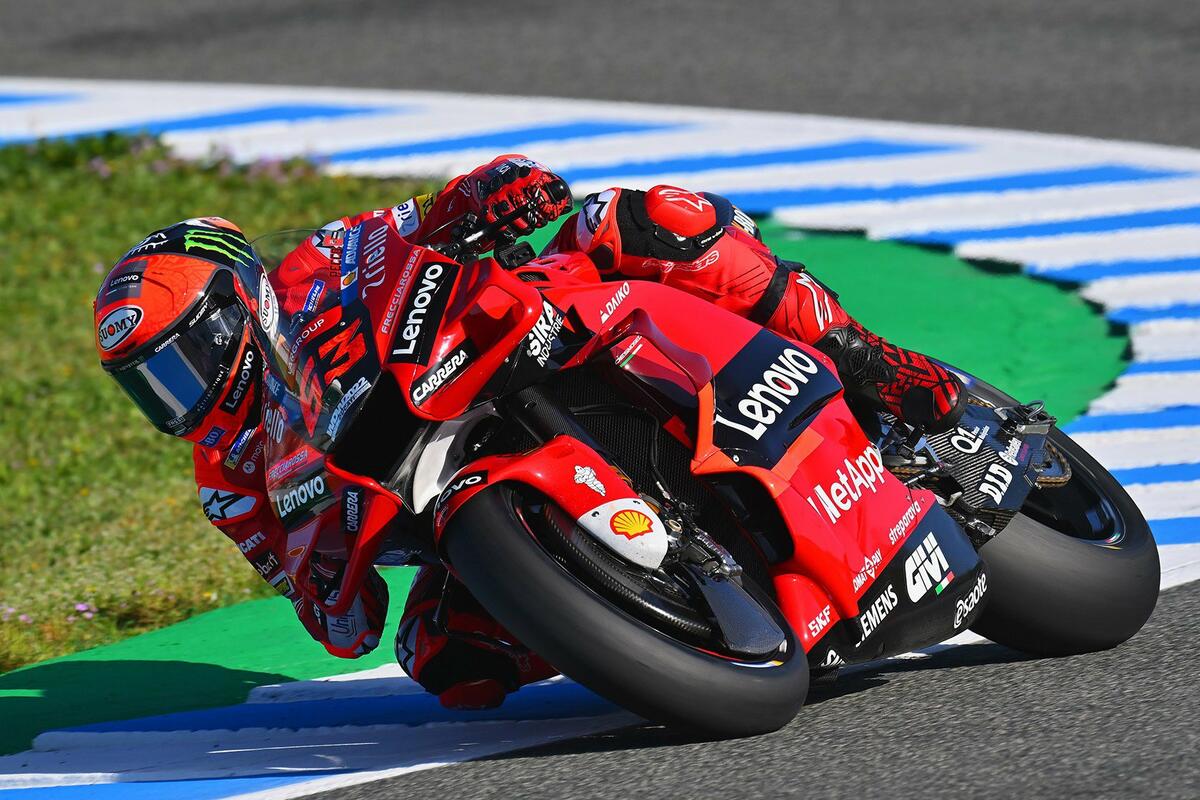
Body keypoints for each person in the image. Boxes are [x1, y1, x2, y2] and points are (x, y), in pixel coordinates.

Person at [94, 154, 965, 709]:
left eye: (183, 362)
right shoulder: (227, 478)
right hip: (432, 489)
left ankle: (873, 364)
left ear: (236, 307)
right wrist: (326, 561)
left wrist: (495, 193)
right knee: (444, 661)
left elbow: (433, 216)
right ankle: (659, 624)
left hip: (522, 342)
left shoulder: (318, 264)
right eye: (152, 387)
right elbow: (340, 622)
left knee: (641, 220)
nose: (182, 396)